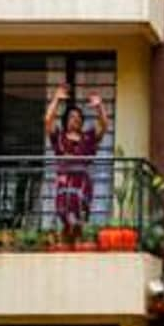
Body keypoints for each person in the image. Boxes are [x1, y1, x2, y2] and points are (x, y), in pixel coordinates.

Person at [44, 83, 110, 244]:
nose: (76, 120)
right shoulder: (59, 136)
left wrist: (99, 106)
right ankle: (66, 247)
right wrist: (56, 99)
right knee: (65, 219)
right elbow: (48, 120)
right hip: (64, 182)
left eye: (79, 118)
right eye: (73, 117)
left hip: (82, 182)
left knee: (79, 219)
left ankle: (78, 246)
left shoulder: (88, 138)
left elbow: (104, 126)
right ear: (66, 120)